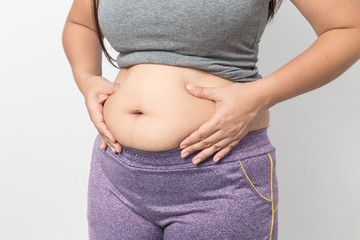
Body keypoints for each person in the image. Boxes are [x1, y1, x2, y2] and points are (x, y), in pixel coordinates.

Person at [62, 0, 360, 239]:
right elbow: (80, 23)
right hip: (116, 174)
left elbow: (350, 27)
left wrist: (261, 95)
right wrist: (87, 79)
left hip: (218, 177)